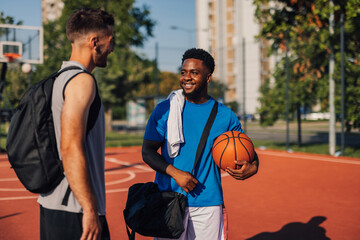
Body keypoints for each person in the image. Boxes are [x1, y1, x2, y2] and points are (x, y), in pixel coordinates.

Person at [142, 48, 259, 240]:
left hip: (208, 202)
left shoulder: (225, 116)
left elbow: (250, 154)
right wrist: (175, 173)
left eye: (194, 73)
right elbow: (147, 151)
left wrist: (252, 168)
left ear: (208, 77)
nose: (187, 77)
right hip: (169, 199)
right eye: (183, 72)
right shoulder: (165, 110)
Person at [37, 8, 114, 240]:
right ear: (94, 42)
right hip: (76, 208)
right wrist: (89, 209)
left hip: (54, 203)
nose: (112, 48)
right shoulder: (82, 82)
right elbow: (70, 146)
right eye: (111, 41)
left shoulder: (58, 79)